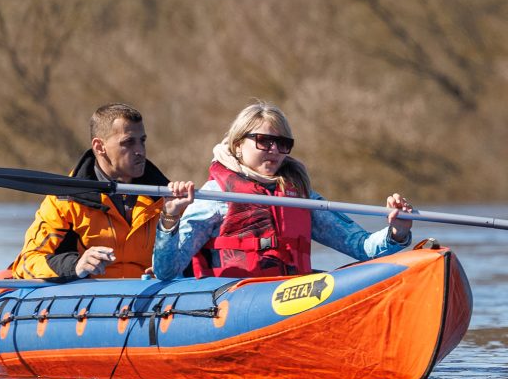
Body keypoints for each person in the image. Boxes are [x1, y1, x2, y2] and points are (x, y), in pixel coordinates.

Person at [149, 102, 416, 280]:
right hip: (231, 303)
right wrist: (171, 217)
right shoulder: (215, 195)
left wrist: (398, 231)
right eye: (264, 141)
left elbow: (362, 247)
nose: (275, 150)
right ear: (238, 145)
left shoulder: (302, 197)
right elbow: (166, 270)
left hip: (287, 299)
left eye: (283, 143)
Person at [6, 102, 197, 280]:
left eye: (142, 141)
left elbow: (186, 264)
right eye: (128, 142)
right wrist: (75, 265)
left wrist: (170, 221)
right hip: (90, 299)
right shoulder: (65, 199)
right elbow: (26, 263)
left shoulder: (168, 198)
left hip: (152, 298)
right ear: (100, 146)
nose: (140, 150)